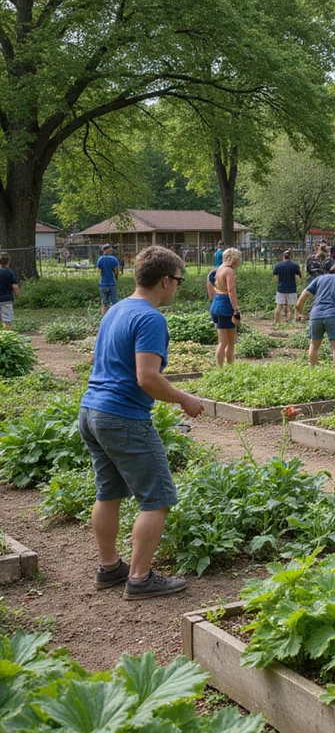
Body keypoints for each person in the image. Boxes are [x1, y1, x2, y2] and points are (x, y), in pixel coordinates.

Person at [79, 246, 204, 599]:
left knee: (109, 492)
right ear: (165, 280)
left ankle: (109, 568)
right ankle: (139, 577)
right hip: (123, 417)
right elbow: (146, 378)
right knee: (157, 499)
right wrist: (184, 398)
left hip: (91, 411)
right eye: (178, 281)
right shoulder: (150, 318)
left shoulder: (116, 310)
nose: (177, 288)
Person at [210, 247, 241, 366]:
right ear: (233, 259)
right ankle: (227, 367)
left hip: (216, 304)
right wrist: (236, 310)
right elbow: (231, 291)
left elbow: (212, 283)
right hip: (225, 305)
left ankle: (221, 368)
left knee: (222, 340)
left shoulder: (219, 269)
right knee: (229, 341)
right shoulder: (229, 271)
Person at [272, 250, 301, 325]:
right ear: (291, 257)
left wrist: (278, 284)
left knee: (279, 306)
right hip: (292, 289)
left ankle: (277, 322)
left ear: (283, 256)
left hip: (281, 289)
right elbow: (299, 276)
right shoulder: (295, 265)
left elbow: (275, 278)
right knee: (290, 307)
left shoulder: (277, 265)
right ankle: (291, 322)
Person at [96, 243, 121, 317]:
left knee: (104, 304)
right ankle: (115, 317)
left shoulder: (100, 259)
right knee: (114, 302)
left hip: (103, 284)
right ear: (107, 250)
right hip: (112, 283)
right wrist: (116, 278)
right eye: (110, 249)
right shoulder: (113, 259)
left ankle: (104, 319)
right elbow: (116, 271)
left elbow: (99, 271)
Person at [0, 252, 19, 329]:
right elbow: (15, 286)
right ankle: (7, 334)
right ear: (9, 261)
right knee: (7, 319)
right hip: (7, 299)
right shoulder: (9, 272)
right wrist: (17, 296)